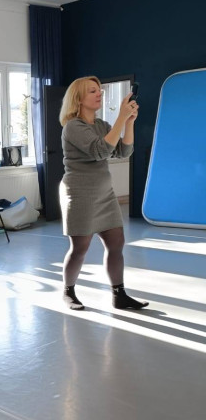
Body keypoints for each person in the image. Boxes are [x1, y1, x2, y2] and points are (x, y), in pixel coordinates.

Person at [59, 76, 148, 311]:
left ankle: (119, 294)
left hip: (104, 194)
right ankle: (68, 291)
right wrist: (120, 117)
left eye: (99, 90)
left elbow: (123, 151)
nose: (99, 94)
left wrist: (129, 122)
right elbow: (100, 151)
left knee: (116, 242)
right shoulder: (73, 127)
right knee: (80, 248)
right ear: (78, 98)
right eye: (92, 91)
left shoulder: (101, 125)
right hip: (79, 194)